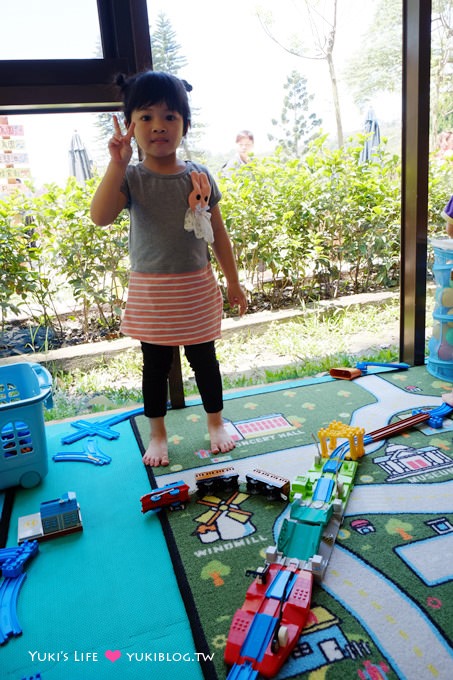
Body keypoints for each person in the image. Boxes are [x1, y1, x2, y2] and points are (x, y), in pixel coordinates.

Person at [90, 70, 247, 467]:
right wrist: (116, 163)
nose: (158, 126)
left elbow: (220, 235)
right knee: (155, 367)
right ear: (130, 127)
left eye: (170, 116)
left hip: (195, 286)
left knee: (205, 360)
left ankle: (216, 423)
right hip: (152, 292)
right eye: (145, 117)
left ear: (185, 126)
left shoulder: (199, 176)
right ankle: (157, 434)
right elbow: (100, 216)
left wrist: (233, 282)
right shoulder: (132, 177)